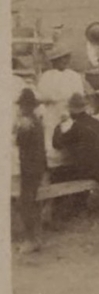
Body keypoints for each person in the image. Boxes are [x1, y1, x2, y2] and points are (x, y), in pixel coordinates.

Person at [51, 93, 99, 186]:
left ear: (71, 111)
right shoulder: (97, 122)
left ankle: (76, 195)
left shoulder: (77, 127)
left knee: (55, 174)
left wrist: (59, 125)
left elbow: (56, 144)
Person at [13, 88, 47, 251]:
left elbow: (19, 141)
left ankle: (31, 240)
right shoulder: (36, 121)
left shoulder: (26, 123)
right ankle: (35, 238)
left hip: (30, 167)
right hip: (36, 165)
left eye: (22, 106)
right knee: (30, 202)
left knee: (25, 202)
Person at [35, 48, 86, 114]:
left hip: (69, 112)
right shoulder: (46, 76)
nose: (66, 61)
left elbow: (78, 95)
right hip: (51, 112)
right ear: (55, 60)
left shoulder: (74, 76)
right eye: (63, 58)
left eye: (67, 58)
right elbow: (41, 96)